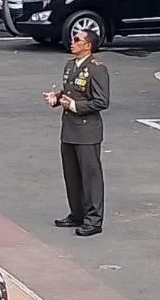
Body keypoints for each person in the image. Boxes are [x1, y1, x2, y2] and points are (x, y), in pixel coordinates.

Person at [44, 29, 110, 237]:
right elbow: (70, 92)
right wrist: (57, 98)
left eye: (77, 40)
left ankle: (93, 219)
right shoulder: (71, 65)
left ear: (88, 45)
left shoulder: (97, 69)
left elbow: (101, 101)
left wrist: (74, 106)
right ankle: (77, 213)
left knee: (91, 176)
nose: (72, 43)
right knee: (71, 174)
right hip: (70, 129)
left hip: (87, 130)